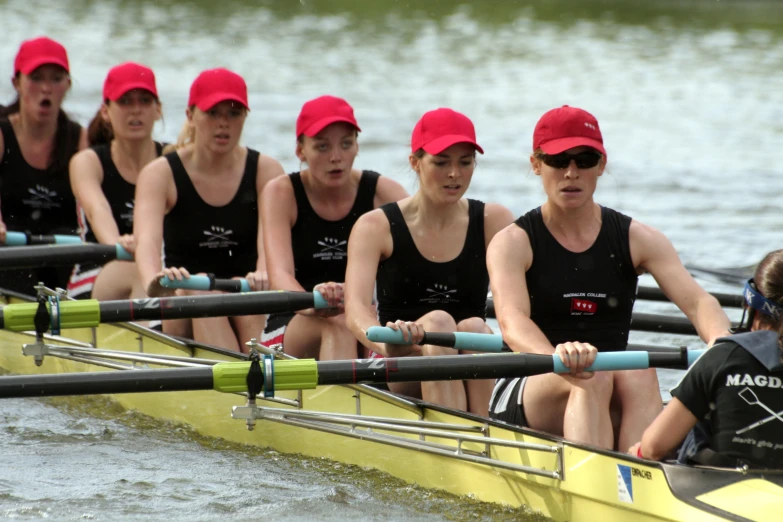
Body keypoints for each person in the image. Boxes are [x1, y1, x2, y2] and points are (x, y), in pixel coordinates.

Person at [486, 105, 732, 451]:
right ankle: (599, 483)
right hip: (531, 382)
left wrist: (721, 343)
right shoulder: (512, 242)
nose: (571, 172)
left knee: (640, 371)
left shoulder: (638, 238)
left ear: (601, 165)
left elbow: (699, 302)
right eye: (558, 160)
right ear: (536, 164)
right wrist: (557, 358)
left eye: (584, 159)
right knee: (591, 376)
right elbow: (511, 322)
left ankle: (639, 476)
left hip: (606, 380)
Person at [345, 108, 514, 416]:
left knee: (476, 328)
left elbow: (516, 303)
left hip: (470, 352)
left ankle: (482, 429)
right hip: (402, 359)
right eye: (441, 162)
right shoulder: (376, 227)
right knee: (437, 321)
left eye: (465, 163)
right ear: (415, 162)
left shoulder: (494, 220)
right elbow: (355, 308)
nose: (454, 174)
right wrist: (387, 344)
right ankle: (464, 436)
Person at [134, 68, 284, 352]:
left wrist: (263, 272)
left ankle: (252, 377)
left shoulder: (267, 170)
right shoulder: (160, 174)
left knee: (245, 297)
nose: (223, 124)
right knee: (197, 289)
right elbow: (147, 242)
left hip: (247, 296)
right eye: (213, 113)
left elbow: (272, 247)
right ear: (190, 116)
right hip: (184, 299)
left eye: (234, 114)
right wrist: (154, 280)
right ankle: (242, 379)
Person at [260, 95, 408, 359]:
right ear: (300, 151)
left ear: (357, 147)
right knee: (339, 324)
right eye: (322, 147)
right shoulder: (281, 192)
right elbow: (279, 275)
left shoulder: (384, 192)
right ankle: (345, 398)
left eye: (346, 144)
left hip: (362, 318)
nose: (336, 157)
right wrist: (312, 302)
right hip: (294, 318)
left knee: (372, 328)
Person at [629, 250, 783, 468]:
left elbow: (654, 448)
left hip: (720, 486)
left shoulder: (722, 357)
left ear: (751, 305)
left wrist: (637, 452)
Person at [68, 62, 164, 301]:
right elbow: (96, 209)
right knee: (140, 273)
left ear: (158, 110)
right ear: (105, 111)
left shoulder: (172, 159)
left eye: (144, 101)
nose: (135, 110)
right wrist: (117, 243)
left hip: (158, 271)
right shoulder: (87, 162)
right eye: (125, 102)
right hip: (98, 270)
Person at [0, 36, 88, 295]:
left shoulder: (79, 138)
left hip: (63, 252)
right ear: (17, 83)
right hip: (8, 248)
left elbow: (91, 204)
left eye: (56, 79)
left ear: (67, 85)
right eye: (36, 78)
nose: (46, 88)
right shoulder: (2, 132)